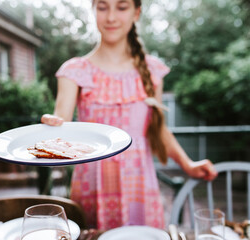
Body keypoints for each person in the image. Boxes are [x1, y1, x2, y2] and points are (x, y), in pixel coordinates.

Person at [41, 0, 218, 230]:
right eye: (103, 7)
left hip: (140, 184)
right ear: (93, 11)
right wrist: (50, 125)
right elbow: (60, 121)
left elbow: (158, 128)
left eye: (121, 7)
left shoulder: (152, 71)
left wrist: (188, 164)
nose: (111, 17)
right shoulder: (74, 70)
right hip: (92, 184)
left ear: (136, 12)